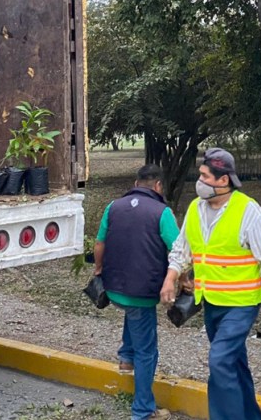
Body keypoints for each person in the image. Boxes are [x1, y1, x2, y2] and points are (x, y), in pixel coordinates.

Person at [160, 148, 261, 420]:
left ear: (223, 180)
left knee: (219, 362)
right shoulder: (195, 209)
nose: (200, 181)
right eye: (200, 174)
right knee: (233, 364)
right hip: (211, 303)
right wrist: (170, 278)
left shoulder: (248, 212)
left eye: (205, 176)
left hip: (241, 305)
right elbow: (182, 251)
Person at [93, 164, 178, 420]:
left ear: (136, 183)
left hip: (113, 289)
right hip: (142, 292)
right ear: (158, 186)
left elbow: (100, 243)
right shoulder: (162, 212)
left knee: (132, 315)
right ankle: (142, 410)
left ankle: (126, 357)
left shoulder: (113, 207)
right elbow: (179, 250)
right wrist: (182, 279)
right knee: (147, 350)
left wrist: (98, 269)